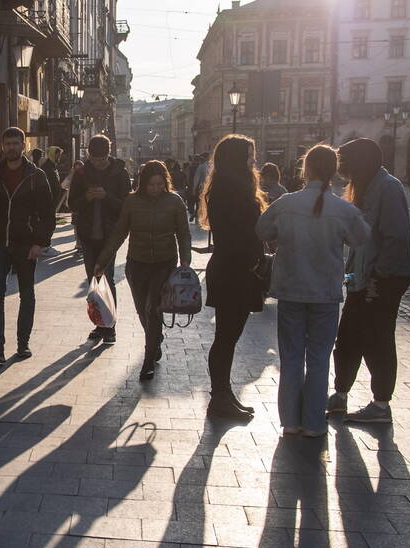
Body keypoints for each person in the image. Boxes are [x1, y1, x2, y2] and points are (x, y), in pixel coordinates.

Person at [257, 144, 370, 437]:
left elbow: (261, 230)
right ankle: (314, 423)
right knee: (319, 358)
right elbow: (362, 238)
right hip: (325, 292)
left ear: (305, 170)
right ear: (334, 172)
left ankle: (290, 421)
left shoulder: (286, 203)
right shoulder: (344, 209)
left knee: (291, 356)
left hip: (291, 289)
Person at [328, 138, 410, 423]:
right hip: (363, 276)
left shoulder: (387, 188)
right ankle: (340, 394)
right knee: (349, 336)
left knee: (377, 339)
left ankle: (380, 404)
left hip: (383, 278)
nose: (345, 175)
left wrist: (379, 278)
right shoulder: (366, 186)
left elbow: (396, 236)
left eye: (347, 168)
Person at [93, 160, 191, 380]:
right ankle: (155, 339)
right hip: (137, 263)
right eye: (151, 185)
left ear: (165, 183)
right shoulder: (132, 201)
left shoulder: (175, 202)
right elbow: (120, 232)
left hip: (164, 263)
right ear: (143, 183)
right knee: (141, 308)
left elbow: (183, 233)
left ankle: (148, 359)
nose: (155, 189)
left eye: (159, 185)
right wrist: (103, 260)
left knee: (153, 308)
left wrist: (185, 259)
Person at [201, 135, 268, 420]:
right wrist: (253, 263)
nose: (254, 160)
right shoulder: (232, 190)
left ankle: (224, 395)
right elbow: (236, 235)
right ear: (237, 159)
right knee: (226, 338)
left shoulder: (227, 187)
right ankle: (219, 398)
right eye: (250, 155)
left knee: (227, 338)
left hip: (233, 269)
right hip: (235, 271)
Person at [0, 126, 56, 363]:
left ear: (24, 145)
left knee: (27, 294)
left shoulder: (36, 176)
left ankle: (23, 344)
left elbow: (48, 214)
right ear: (3, 146)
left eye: (16, 143)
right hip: (0, 243)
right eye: (7, 144)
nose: (11, 148)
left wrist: (39, 242)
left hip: (26, 244)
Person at [69, 134, 132, 344]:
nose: (99, 164)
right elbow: (72, 204)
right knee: (93, 280)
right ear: (89, 155)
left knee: (107, 277)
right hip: (88, 234)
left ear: (109, 153)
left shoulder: (120, 173)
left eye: (102, 160)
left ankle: (110, 326)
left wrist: (106, 197)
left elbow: (126, 206)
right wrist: (86, 197)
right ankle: (99, 323)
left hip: (110, 235)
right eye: (95, 160)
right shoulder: (81, 173)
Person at [190, 152, 212, 223]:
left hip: (201, 188)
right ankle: (204, 218)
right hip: (209, 187)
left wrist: (194, 189)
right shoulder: (210, 166)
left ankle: (197, 217)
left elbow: (197, 179)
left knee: (199, 203)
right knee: (206, 203)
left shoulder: (201, 166)